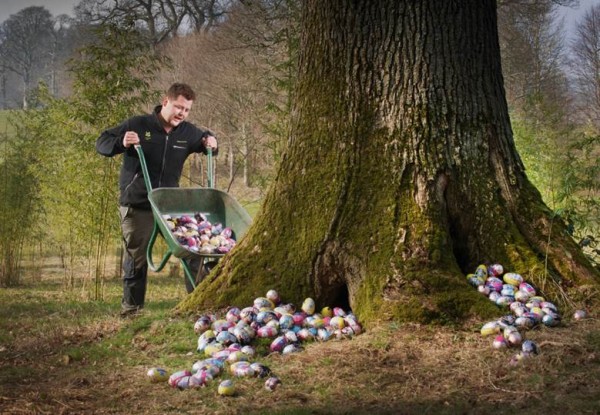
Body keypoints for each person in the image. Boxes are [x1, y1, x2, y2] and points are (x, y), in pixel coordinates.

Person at [96, 83, 217, 316]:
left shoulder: (187, 132)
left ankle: (199, 306)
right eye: (178, 107)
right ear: (165, 102)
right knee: (136, 257)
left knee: (192, 250)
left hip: (169, 206)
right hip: (138, 203)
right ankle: (132, 310)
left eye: (187, 110)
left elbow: (206, 140)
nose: (182, 113)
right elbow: (102, 143)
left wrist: (211, 141)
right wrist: (122, 141)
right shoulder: (138, 125)